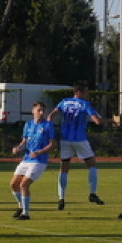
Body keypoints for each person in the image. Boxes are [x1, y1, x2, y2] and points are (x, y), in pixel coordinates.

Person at [47, 80, 105, 209]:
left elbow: (51, 115)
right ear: (79, 92)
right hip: (80, 139)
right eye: (86, 92)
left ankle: (61, 198)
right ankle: (92, 193)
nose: (87, 95)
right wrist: (112, 120)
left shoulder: (63, 102)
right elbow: (97, 121)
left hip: (65, 139)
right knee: (92, 164)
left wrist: (49, 131)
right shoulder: (84, 104)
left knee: (63, 169)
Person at [9, 102, 55, 220]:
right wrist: (18, 148)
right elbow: (24, 142)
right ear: (32, 111)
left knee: (24, 184)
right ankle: (21, 206)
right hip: (26, 160)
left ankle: (26, 213)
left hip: (39, 161)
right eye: (39, 110)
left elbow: (52, 144)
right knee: (13, 185)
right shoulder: (28, 124)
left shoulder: (48, 125)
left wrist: (39, 152)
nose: (41, 112)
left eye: (43, 110)